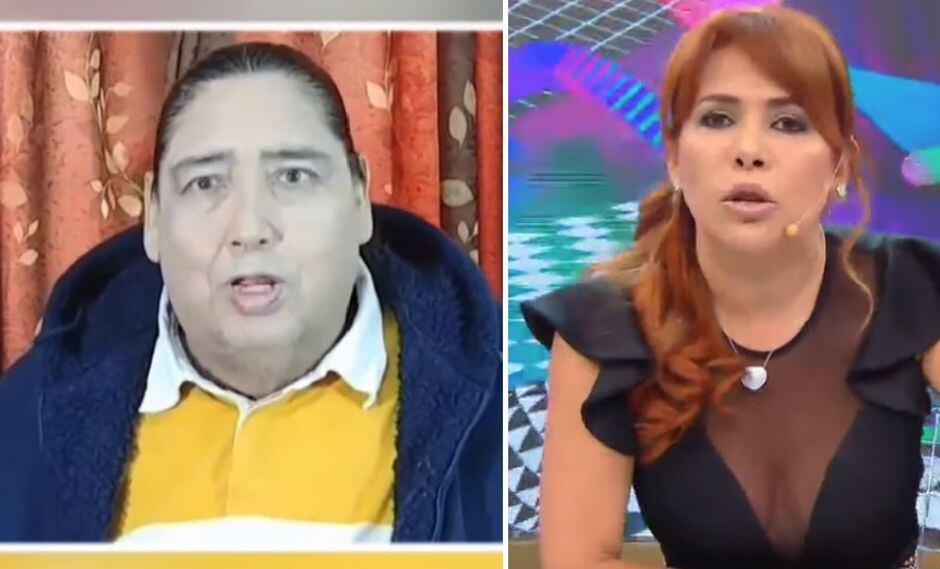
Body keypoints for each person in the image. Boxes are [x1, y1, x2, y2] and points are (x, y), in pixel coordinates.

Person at [0, 42, 501, 545]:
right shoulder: (25, 427)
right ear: (153, 217)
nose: (250, 228)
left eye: (293, 176)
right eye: (205, 183)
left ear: (358, 199)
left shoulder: (496, 413)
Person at [523, 6, 940, 569]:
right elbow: (579, 560)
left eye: (788, 123)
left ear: (839, 165)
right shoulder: (601, 326)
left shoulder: (913, 288)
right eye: (718, 118)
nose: (749, 150)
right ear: (675, 156)